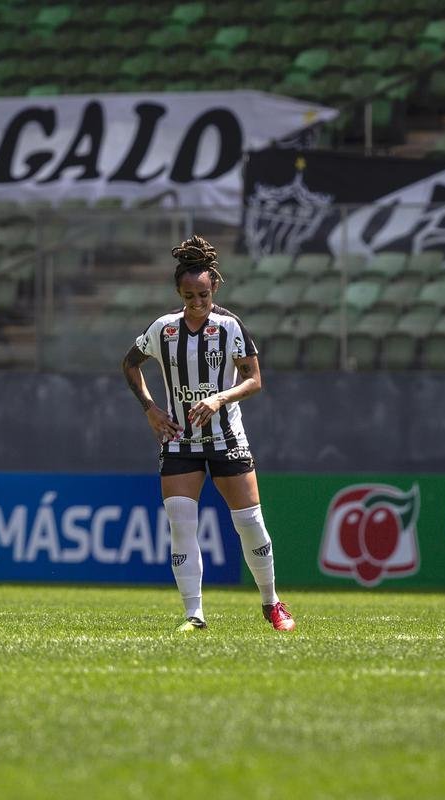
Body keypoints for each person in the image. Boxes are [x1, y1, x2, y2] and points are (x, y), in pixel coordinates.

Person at [121, 234, 295, 633]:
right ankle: (193, 615)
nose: (197, 303)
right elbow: (130, 364)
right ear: (179, 293)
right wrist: (151, 409)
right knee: (181, 521)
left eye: (203, 294)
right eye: (188, 296)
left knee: (249, 522)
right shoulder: (163, 330)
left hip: (227, 439)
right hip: (180, 440)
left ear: (214, 286)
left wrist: (219, 399)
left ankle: (272, 602)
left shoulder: (230, 327)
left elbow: (254, 380)